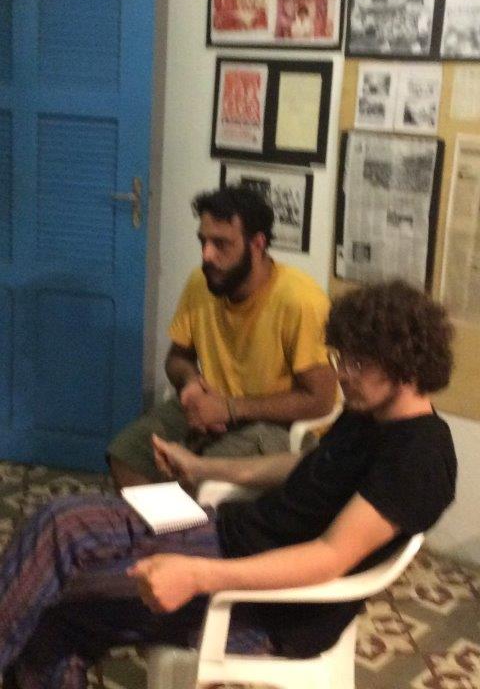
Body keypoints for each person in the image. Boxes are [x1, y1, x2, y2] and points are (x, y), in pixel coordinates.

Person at [0, 280, 457, 688]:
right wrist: (202, 468)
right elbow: (307, 466)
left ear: (406, 364)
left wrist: (196, 575)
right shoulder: (369, 414)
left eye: (357, 362)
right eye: (341, 357)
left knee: (59, 612)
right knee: (61, 523)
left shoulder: (420, 458)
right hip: (227, 533)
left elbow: (329, 557)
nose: (341, 373)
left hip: (265, 605)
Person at [108, 186, 337, 489]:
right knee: (126, 454)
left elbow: (320, 400)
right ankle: (154, 520)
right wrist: (190, 383)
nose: (207, 255)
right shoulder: (201, 283)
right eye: (203, 241)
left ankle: (186, 518)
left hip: (276, 425)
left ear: (257, 244)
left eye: (221, 244)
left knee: (195, 478)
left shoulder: (301, 300)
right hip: (210, 407)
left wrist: (230, 408)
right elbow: (178, 357)